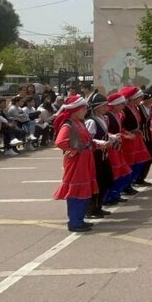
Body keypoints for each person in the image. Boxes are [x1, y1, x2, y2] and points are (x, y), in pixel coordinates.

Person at [52, 96, 97, 233]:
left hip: (84, 159)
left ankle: (80, 219)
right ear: (75, 110)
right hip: (76, 161)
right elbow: (60, 142)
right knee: (76, 189)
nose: (85, 110)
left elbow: (86, 141)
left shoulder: (79, 122)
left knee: (83, 188)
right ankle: (74, 222)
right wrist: (74, 149)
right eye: (83, 108)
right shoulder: (68, 125)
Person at [84, 92, 116, 219]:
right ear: (96, 107)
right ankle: (91, 209)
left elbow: (104, 135)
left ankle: (98, 206)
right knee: (98, 182)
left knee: (107, 180)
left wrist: (113, 138)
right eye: (103, 106)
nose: (106, 108)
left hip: (103, 155)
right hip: (95, 156)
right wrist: (102, 142)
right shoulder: (91, 122)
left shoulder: (101, 119)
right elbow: (88, 140)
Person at [102, 92, 133, 205]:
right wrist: (113, 137)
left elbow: (121, 129)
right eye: (121, 104)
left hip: (118, 147)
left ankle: (116, 194)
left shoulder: (119, 115)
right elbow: (104, 132)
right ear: (114, 104)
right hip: (111, 148)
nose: (123, 106)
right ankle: (108, 197)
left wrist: (125, 134)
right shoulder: (107, 116)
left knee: (124, 172)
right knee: (115, 173)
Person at [119, 86, 152, 189]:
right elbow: (120, 126)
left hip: (136, 138)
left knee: (139, 162)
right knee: (130, 163)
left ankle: (131, 181)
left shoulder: (135, 108)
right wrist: (127, 134)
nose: (141, 99)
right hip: (128, 139)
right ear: (132, 98)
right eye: (139, 97)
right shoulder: (124, 110)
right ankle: (126, 186)